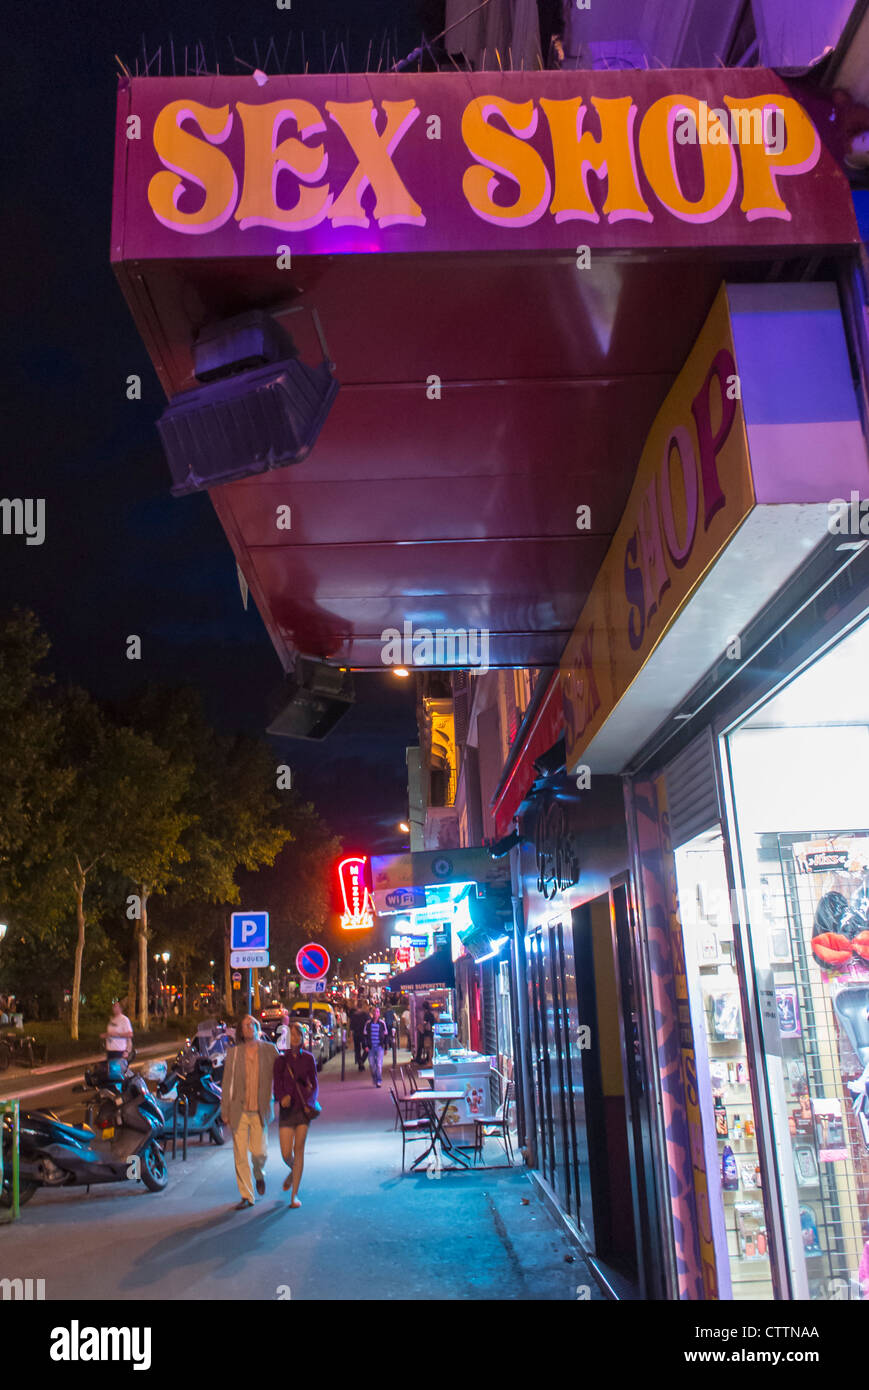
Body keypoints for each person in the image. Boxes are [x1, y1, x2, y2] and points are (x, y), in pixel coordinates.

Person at [220, 1014, 278, 1210]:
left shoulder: (270, 1050)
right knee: (240, 1155)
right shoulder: (234, 1054)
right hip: (239, 1109)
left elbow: (281, 1072)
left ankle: (259, 1173)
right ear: (241, 1031)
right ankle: (247, 1195)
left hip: (260, 1110)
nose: (249, 1028)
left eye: (252, 1024)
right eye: (245, 1026)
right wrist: (225, 1110)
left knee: (259, 1152)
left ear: (257, 1027)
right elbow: (227, 1083)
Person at [273, 1020, 319, 1208]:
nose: (294, 1038)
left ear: (302, 1037)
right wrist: (281, 1097)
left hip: (302, 1109)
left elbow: (314, 1084)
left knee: (298, 1149)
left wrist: (309, 1101)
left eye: (298, 1035)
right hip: (286, 1111)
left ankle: (294, 1195)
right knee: (286, 1153)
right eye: (291, 1035)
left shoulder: (308, 1059)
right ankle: (294, 1171)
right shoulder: (280, 1060)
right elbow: (276, 1085)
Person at [363, 1006, 389, 1088]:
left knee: (378, 1064)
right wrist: (365, 1046)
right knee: (371, 1065)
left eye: (377, 1012)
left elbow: (386, 1035)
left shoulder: (382, 1023)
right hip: (370, 1047)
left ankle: (379, 1080)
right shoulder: (368, 1024)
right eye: (374, 1012)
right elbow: (364, 1035)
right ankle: (375, 1077)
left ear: (379, 1013)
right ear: (372, 1013)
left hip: (379, 1047)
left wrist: (385, 1048)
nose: (375, 1013)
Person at [350, 999, 369, 1072]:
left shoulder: (353, 1015)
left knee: (357, 1049)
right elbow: (368, 1024)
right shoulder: (365, 1015)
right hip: (364, 1034)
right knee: (367, 1048)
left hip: (356, 1034)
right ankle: (361, 1061)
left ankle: (360, 1062)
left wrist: (351, 1036)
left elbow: (351, 1027)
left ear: (356, 1006)